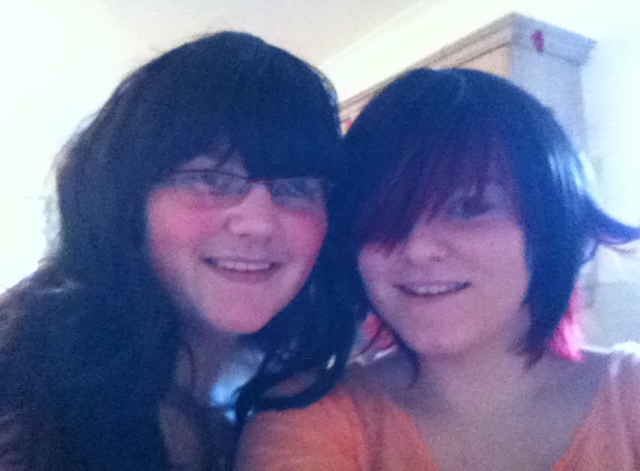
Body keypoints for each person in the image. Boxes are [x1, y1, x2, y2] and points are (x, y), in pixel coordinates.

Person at [237, 68, 640, 470]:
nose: (418, 250)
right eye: (384, 215)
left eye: (469, 208)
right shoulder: (310, 416)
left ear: (553, 219)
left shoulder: (629, 395)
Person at [0, 31, 355, 470]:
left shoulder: (266, 424)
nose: (259, 223)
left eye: (297, 187)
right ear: (124, 198)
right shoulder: (20, 389)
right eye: (209, 179)